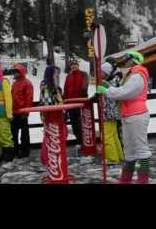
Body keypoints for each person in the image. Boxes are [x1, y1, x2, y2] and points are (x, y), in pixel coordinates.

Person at [97, 50, 151, 184]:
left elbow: (126, 92)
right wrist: (109, 87)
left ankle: (143, 180)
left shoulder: (138, 74)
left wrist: (107, 90)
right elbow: (123, 90)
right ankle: (126, 178)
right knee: (130, 150)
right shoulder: (131, 74)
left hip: (137, 114)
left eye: (127, 59)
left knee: (140, 148)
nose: (125, 61)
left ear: (133, 60)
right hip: (128, 114)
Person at [99, 62, 124, 164]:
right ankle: (119, 156)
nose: (99, 73)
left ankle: (112, 158)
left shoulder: (105, 83)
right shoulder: (113, 82)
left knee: (107, 136)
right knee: (114, 135)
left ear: (105, 73)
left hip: (108, 113)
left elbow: (107, 97)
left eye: (101, 71)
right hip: (113, 112)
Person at [40, 65, 64, 166]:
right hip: (50, 116)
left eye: (58, 74)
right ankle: (47, 158)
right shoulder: (45, 85)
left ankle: (55, 157)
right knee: (50, 136)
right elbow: (46, 103)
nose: (58, 76)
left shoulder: (56, 85)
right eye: (56, 74)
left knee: (60, 135)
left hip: (57, 115)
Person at [63, 60, 89, 147]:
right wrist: (65, 100)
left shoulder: (83, 74)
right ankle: (78, 140)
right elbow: (66, 88)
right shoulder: (68, 76)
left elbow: (85, 84)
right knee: (74, 123)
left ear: (78, 65)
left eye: (75, 65)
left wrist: (84, 93)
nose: (74, 66)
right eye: (72, 65)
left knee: (81, 122)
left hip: (80, 102)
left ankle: (84, 141)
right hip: (70, 103)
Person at [11, 63, 34, 159]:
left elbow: (29, 98)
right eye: (14, 72)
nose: (15, 73)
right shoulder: (14, 83)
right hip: (14, 112)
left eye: (17, 72)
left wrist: (26, 112)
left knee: (24, 133)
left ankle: (25, 151)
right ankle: (15, 151)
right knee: (13, 133)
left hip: (22, 112)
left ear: (22, 72)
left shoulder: (27, 83)